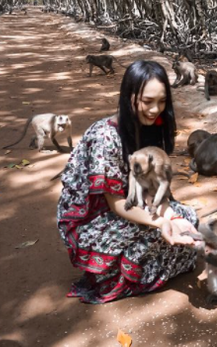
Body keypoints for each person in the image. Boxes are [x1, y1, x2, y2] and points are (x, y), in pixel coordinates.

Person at [57, 60, 199, 304]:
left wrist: (171, 217)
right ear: (128, 96)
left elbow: (158, 189)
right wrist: (161, 222)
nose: (155, 110)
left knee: (188, 219)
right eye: (147, 101)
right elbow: (116, 204)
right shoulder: (104, 136)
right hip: (97, 215)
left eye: (162, 101)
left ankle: (139, 262)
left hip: (137, 200)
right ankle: (112, 272)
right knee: (157, 230)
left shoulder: (155, 127)